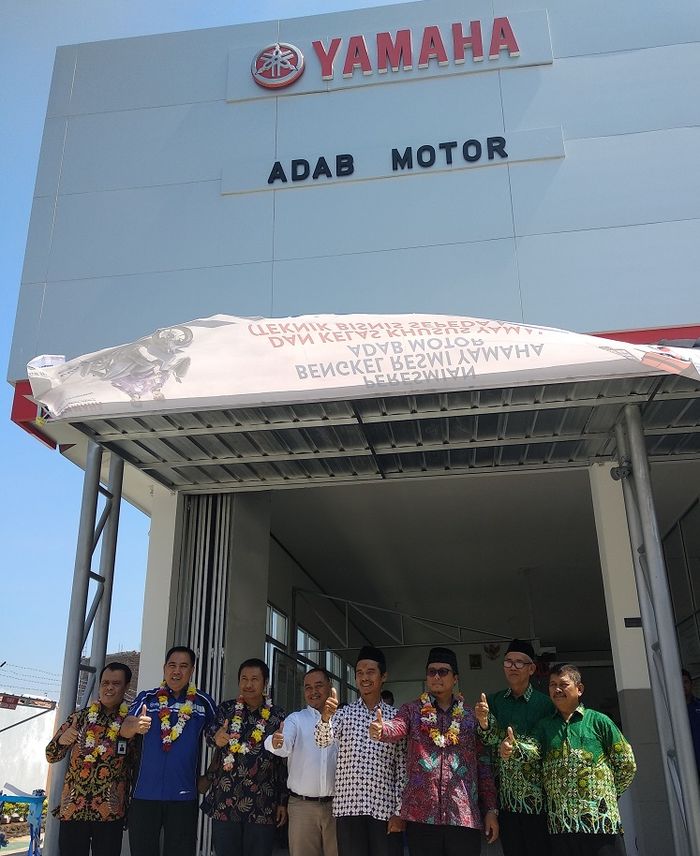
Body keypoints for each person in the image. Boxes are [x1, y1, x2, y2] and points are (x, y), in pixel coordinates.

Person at [370, 646, 498, 856]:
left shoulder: (469, 717)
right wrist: (381, 729)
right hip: (421, 817)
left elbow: (484, 768)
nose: (436, 676)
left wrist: (491, 810)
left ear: (455, 678)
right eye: (432, 671)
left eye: (443, 671)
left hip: (463, 816)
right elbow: (397, 727)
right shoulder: (411, 711)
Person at [500, 663, 636, 856]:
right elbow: (531, 751)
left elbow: (626, 764)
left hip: (600, 823)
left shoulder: (598, 722)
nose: (556, 689)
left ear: (579, 689)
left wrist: (608, 795)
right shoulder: (545, 727)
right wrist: (513, 748)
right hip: (561, 826)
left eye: (563, 684)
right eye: (552, 685)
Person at [120, 645, 216, 856]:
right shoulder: (148, 698)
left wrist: (209, 776)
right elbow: (124, 728)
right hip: (144, 795)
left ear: (192, 671)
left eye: (183, 666)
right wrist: (135, 726)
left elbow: (220, 739)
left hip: (183, 797)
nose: (177, 671)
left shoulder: (203, 702)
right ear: (164, 668)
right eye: (172, 665)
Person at [315, 645, 406, 856]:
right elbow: (321, 741)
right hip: (349, 809)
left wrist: (399, 812)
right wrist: (326, 718)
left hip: (384, 810)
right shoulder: (343, 714)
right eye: (359, 673)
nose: (364, 678)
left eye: (371, 672)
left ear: (384, 676)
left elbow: (402, 770)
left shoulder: (396, 718)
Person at [45, 661, 136, 856]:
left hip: (109, 812)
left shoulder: (131, 722)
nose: (109, 688)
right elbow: (51, 755)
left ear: (127, 686)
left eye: (116, 683)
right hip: (74, 810)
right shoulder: (81, 718)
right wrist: (61, 739)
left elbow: (138, 766)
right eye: (105, 683)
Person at [475, 639, 554, 856]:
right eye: (508, 662)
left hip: (539, 803)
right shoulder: (493, 701)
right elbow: (486, 743)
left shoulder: (546, 704)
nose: (512, 667)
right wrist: (483, 722)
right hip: (506, 800)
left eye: (519, 663)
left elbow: (547, 746)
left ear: (531, 669)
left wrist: (516, 748)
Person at [202, 657, 288, 856]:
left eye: (255, 679)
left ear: (265, 683)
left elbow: (283, 762)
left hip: (262, 804)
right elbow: (209, 733)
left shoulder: (278, 716)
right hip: (225, 801)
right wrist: (216, 737)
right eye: (244, 679)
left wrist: (283, 801)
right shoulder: (226, 709)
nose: (248, 684)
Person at [264, 667, 338, 856]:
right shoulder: (296, 719)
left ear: (330, 687)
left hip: (338, 807)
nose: (313, 691)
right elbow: (284, 745)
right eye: (308, 687)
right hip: (302, 807)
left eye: (319, 686)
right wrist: (275, 742)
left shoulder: (343, 719)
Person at [682, 668, 700, 775]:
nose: (683, 686)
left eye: (686, 682)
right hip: (686, 765)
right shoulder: (672, 711)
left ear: (691, 684)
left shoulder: (698, 705)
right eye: (680, 683)